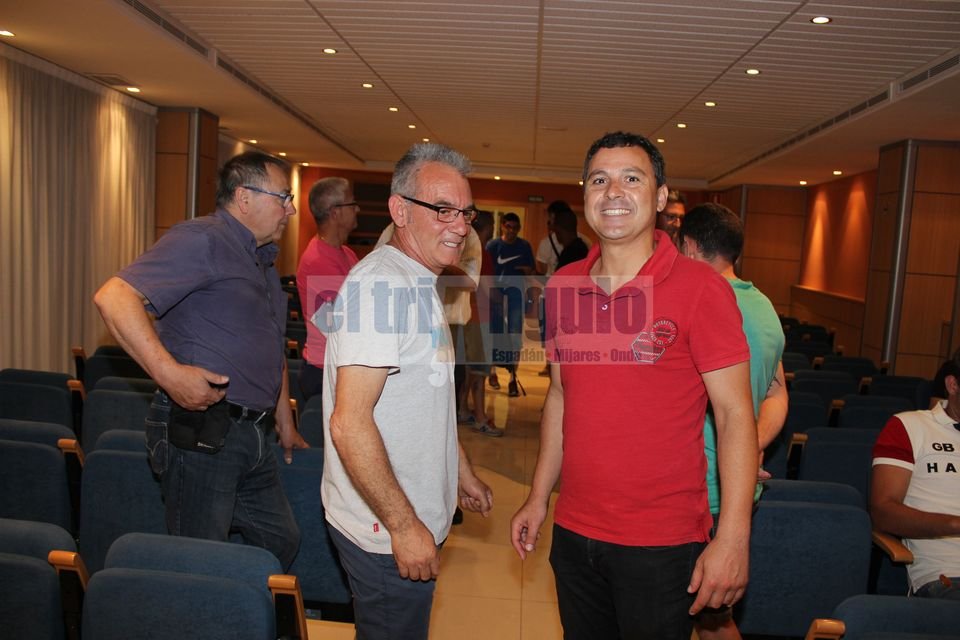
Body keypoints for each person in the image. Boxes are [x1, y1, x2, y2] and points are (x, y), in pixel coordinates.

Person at [510, 131, 757, 640]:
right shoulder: (563, 285)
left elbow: (735, 416)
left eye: (631, 178)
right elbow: (560, 396)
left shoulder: (701, 289)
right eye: (599, 180)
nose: (613, 192)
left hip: (661, 543)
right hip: (575, 533)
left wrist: (733, 537)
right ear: (585, 195)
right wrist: (538, 497)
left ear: (661, 196)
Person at [93, 151, 308, 569]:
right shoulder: (203, 238)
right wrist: (170, 374)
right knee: (198, 558)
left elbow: (269, 343)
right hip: (205, 426)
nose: (291, 209)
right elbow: (113, 297)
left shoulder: (261, 258)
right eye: (283, 197)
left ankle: (234, 602)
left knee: (280, 540)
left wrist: (284, 417)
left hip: (254, 432)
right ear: (244, 197)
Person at [320, 142, 494, 638]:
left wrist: (459, 470)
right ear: (400, 211)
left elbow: (423, 399)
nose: (460, 226)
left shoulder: (418, 279)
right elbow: (349, 423)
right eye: (442, 210)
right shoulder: (381, 286)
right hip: (383, 529)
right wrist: (403, 526)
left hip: (406, 515)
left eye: (466, 213)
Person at [680, 202, 788, 639]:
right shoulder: (765, 308)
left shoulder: (700, 302)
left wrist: (742, 448)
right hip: (736, 492)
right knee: (712, 617)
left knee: (693, 617)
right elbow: (777, 394)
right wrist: (751, 445)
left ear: (688, 246)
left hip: (699, 491)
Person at [870, 347, 960, 600]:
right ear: (953, 385)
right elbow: (883, 512)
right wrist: (955, 524)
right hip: (949, 576)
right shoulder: (910, 426)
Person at [295, 176, 359, 403]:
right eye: (352, 204)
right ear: (335, 212)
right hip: (324, 370)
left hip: (339, 367)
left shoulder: (346, 253)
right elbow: (335, 326)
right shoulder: (318, 261)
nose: (357, 209)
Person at [458, 210, 503, 437]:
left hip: (466, 316)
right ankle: (480, 417)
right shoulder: (482, 255)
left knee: (468, 368)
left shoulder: (464, 251)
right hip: (480, 318)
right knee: (480, 371)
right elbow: (488, 289)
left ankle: (463, 410)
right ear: (487, 227)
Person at [486, 212, 534, 397]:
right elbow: (486, 273)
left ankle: (513, 377)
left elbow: (531, 271)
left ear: (519, 228)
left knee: (514, 337)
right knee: (495, 335)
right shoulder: (493, 246)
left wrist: (527, 271)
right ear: (502, 226)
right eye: (508, 227)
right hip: (495, 296)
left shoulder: (524, 246)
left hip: (516, 295)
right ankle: (492, 373)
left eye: (515, 228)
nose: (511, 231)